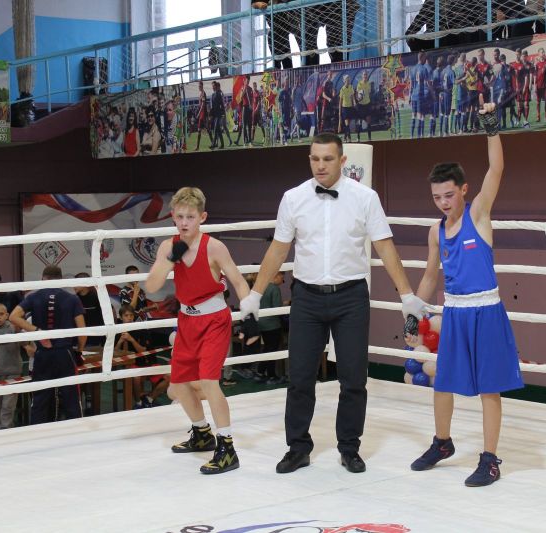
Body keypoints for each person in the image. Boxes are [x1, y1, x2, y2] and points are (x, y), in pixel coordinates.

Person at [239, 133, 428, 475]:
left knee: (353, 378)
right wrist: (255, 293)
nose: (320, 165)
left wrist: (406, 294)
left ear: (342, 160)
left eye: (327, 159)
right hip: (306, 297)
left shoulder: (365, 198)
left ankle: (349, 448)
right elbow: (278, 249)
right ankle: (298, 448)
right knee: (299, 378)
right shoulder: (293, 198)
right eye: (315, 158)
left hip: (351, 297)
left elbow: (385, 247)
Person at [410, 98, 523, 487]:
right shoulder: (436, 231)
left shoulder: (479, 214)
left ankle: (490, 460)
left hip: (486, 311)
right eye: (437, 197)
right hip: (454, 313)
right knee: (443, 382)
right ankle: (442, 443)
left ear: (464, 190)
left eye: (449, 195)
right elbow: (430, 276)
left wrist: (492, 127)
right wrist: (415, 313)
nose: (443, 203)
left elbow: (497, 169)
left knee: (489, 388)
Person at [145, 187, 256, 475]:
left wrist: (249, 312)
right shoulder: (168, 247)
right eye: (180, 216)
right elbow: (152, 286)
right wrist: (171, 260)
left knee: (208, 380)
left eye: (190, 217)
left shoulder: (214, 247)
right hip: (186, 321)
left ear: (202, 217)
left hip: (214, 320)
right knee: (179, 383)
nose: (184, 223)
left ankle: (227, 448)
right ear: (173, 216)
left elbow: (237, 280)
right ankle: (201, 432)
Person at [9, 265, 86, 425]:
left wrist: (37, 331)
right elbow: (82, 331)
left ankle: (38, 434)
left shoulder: (34, 296)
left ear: (43, 278)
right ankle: (76, 433)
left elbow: (13, 316)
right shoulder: (72, 298)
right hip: (65, 353)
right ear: (61, 279)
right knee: (71, 396)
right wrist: (79, 350)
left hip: (43, 353)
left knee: (40, 398)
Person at [73, 272, 105, 347]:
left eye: (76, 283)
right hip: (77, 338)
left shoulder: (97, 297)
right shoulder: (74, 299)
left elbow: (107, 315)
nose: (74, 286)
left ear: (85, 283)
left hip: (94, 338)